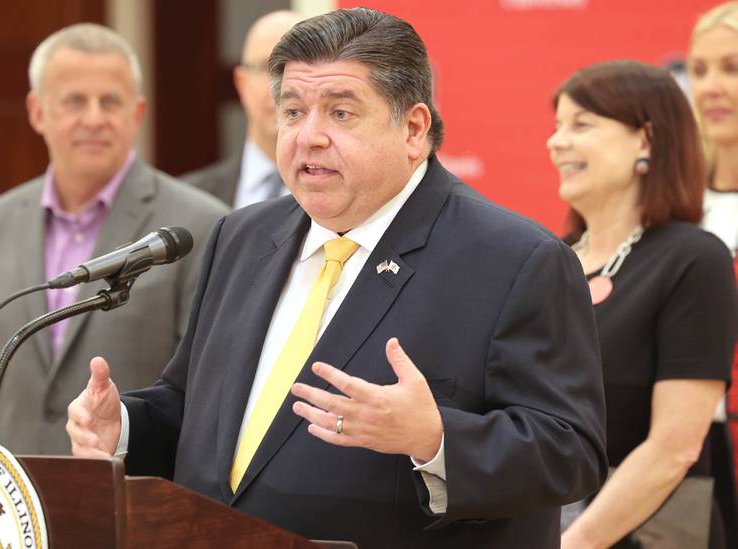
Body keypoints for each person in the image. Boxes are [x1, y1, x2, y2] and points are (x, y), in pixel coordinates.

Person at [67, 9, 607, 548]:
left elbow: (569, 452)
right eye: (294, 111)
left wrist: (434, 438)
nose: (310, 137)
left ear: (414, 128)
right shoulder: (242, 236)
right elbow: (193, 405)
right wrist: (127, 428)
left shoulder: (515, 258)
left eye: (341, 113)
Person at [0, 23, 228, 455]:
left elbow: (209, 399)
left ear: (137, 112)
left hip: (135, 508)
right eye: (75, 100)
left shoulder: (202, 227)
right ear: (37, 112)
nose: (94, 118)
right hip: (10, 513)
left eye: (110, 101)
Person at [547, 60, 737, 548]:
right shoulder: (548, 261)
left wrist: (576, 542)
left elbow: (675, 447)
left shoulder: (693, 258)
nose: (556, 142)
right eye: (557, 126)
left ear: (646, 140)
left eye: (581, 125)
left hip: (640, 533)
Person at [689, 5, 738, 545]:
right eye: (700, 71)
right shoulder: (678, 202)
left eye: (732, 67)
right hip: (696, 441)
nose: (713, 87)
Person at [181, 10, 302, 208]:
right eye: (267, 67)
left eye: (295, 67)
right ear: (241, 83)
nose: (282, 87)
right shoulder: (188, 199)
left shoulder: (345, 194)